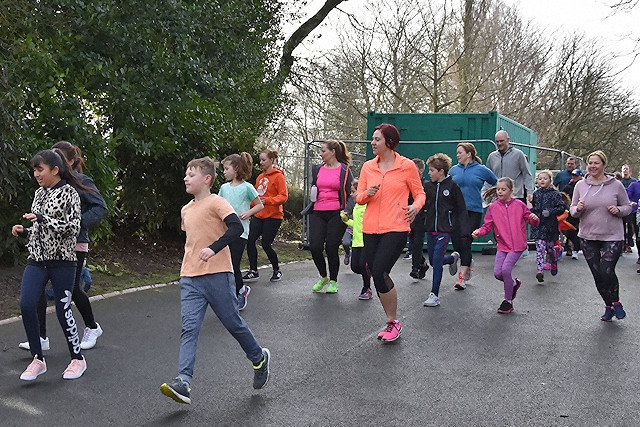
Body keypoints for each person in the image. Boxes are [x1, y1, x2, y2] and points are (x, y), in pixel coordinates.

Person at [160, 157, 270, 405]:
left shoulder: (217, 202)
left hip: (219, 274)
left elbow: (235, 228)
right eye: (186, 174)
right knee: (189, 328)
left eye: (191, 174)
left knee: (232, 322)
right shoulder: (185, 209)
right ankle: (184, 382)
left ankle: (258, 357)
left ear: (207, 179)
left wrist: (214, 248)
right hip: (190, 276)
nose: (186, 178)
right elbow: (192, 239)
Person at [19, 141, 108, 353]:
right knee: (37, 290)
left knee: (71, 292)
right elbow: (41, 222)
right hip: (46, 249)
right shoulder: (44, 189)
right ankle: (40, 337)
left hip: (74, 244)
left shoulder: (79, 182)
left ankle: (91, 327)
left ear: (66, 162)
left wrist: (78, 224)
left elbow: (100, 207)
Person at [12, 149, 88, 380]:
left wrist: (44, 219)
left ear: (55, 170)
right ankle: (38, 359)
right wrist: (25, 232)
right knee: (27, 305)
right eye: (35, 170)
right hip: (37, 260)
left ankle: (77, 358)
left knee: (63, 311)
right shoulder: (39, 194)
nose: (36, 174)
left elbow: (73, 228)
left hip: (63, 262)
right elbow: (40, 230)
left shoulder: (70, 193)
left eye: (40, 169)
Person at [355, 123, 425, 342]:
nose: (372, 143)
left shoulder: (406, 166)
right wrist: (368, 193)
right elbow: (358, 197)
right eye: (373, 139)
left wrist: (415, 207)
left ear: (389, 142)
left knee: (379, 271)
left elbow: (420, 193)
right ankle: (390, 321)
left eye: (376, 139)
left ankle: (393, 322)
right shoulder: (368, 167)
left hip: (396, 226)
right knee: (376, 274)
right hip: (370, 228)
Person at [569, 151, 631, 321]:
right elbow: (572, 210)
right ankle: (608, 305)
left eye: (596, 163)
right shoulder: (580, 185)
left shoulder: (615, 185)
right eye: (590, 163)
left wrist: (618, 210)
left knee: (606, 271)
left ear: (604, 165)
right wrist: (578, 209)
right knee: (598, 275)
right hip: (588, 236)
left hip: (612, 236)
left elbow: (628, 207)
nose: (593, 166)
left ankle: (616, 302)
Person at [472, 177, 540, 314]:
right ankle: (514, 284)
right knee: (498, 273)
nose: (500, 192)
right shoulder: (493, 207)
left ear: (511, 190)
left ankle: (508, 301)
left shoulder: (519, 205)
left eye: (503, 189)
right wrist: (479, 232)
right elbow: (487, 226)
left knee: (505, 270)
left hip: (517, 245)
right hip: (502, 245)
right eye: (498, 189)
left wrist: (535, 219)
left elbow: (531, 220)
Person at [449, 142, 498, 289]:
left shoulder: (481, 170)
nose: (457, 155)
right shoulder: (453, 170)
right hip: (456, 210)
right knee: (457, 242)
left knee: (466, 241)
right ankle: (466, 261)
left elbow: (497, 183)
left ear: (469, 154)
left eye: (460, 152)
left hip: (473, 211)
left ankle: (461, 278)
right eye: (457, 153)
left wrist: (491, 198)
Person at [219, 152, 264, 311]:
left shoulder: (247, 187)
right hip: (225, 232)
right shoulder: (224, 188)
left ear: (236, 169)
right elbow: (218, 207)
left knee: (233, 264)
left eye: (226, 169)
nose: (224, 172)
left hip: (241, 232)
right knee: (224, 265)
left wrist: (248, 213)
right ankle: (232, 292)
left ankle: (241, 291)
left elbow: (260, 205)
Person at [421, 153, 467, 307]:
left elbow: (461, 208)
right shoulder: (427, 186)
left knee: (437, 261)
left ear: (441, 171)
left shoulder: (452, 186)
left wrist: (460, 227)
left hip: (445, 230)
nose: (429, 173)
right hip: (430, 228)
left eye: (432, 170)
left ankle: (434, 295)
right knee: (434, 262)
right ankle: (453, 259)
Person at [307, 140, 353, 293]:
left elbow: (351, 193)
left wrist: (347, 210)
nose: (320, 154)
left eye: (323, 151)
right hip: (318, 211)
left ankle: (333, 281)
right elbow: (315, 186)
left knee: (331, 247)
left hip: (336, 212)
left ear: (333, 152)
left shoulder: (345, 171)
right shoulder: (317, 169)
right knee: (315, 246)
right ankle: (323, 276)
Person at [486, 130, 534, 257]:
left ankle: (520, 247)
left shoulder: (518, 155)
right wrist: (484, 193)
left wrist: (530, 193)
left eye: (502, 141)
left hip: (515, 195)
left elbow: (527, 174)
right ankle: (502, 248)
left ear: (508, 139)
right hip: (498, 196)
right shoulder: (492, 157)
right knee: (498, 224)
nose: (499, 144)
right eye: (497, 142)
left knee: (515, 225)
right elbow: (488, 177)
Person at [243, 149, 288, 283]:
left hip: (273, 216)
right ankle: (253, 271)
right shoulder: (259, 178)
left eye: (264, 160)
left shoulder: (278, 176)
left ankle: (276, 269)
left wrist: (267, 200)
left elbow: (283, 196)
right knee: (250, 241)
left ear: (271, 160)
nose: (261, 162)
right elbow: (255, 197)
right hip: (259, 215)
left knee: (266, 244)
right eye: (260, 160)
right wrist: (249, 206)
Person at [530, 170, 567, 282]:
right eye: (540, 178)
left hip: (550, 226)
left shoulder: (555, 194)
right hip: (539, 225)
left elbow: (561, 207)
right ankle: (540, 270)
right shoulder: (536, 194)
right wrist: (531, 212)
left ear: (550, 181)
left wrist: (550, 212)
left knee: (549, 249)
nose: (542, 180)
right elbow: (535, 208)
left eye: (545, 178)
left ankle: (553, 259)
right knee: (540, 247)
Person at [340, 179, 372, 300]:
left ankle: (367, 288)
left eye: (353, 192)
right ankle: (370, 270)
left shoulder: (368, 205)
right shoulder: (357, 206)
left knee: (363, 265)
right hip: (357, 241)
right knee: (355, 267)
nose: (351, 194)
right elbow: (357, 224)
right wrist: (346, 220)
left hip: (366, 241)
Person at [408, 158, 429, 280]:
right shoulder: (407, 184)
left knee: (417, 243)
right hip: (409, 218)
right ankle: (422, 264)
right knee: (412, 243)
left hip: (421, 218)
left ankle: (415, 268)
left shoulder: (425, 185)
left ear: (421, 171)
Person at [561, 169, 584, 259]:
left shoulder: (584, 186)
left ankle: (576, 250)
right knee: (570, 230)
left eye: (576, 176)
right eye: (573, 175)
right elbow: (562, 196)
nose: (574, 177)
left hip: (582, 211)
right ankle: (570, 247)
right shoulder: (568, 186)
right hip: (570, 211)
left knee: (577, 231)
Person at [621, 164, 637, 253]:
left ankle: (629, 244)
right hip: (622, 206)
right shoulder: (620, 181)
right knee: (622, 225)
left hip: (632, 207)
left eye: (626, 169)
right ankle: (623, 244)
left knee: (630, 225)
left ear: (629, 171)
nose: (625, 171)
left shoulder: (633, 181)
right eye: (624, 169)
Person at [626, 174, 640, 263]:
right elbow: (627, 197)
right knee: (638, 236)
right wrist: (631, 202)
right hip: (636, 213)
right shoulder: (634, 185)